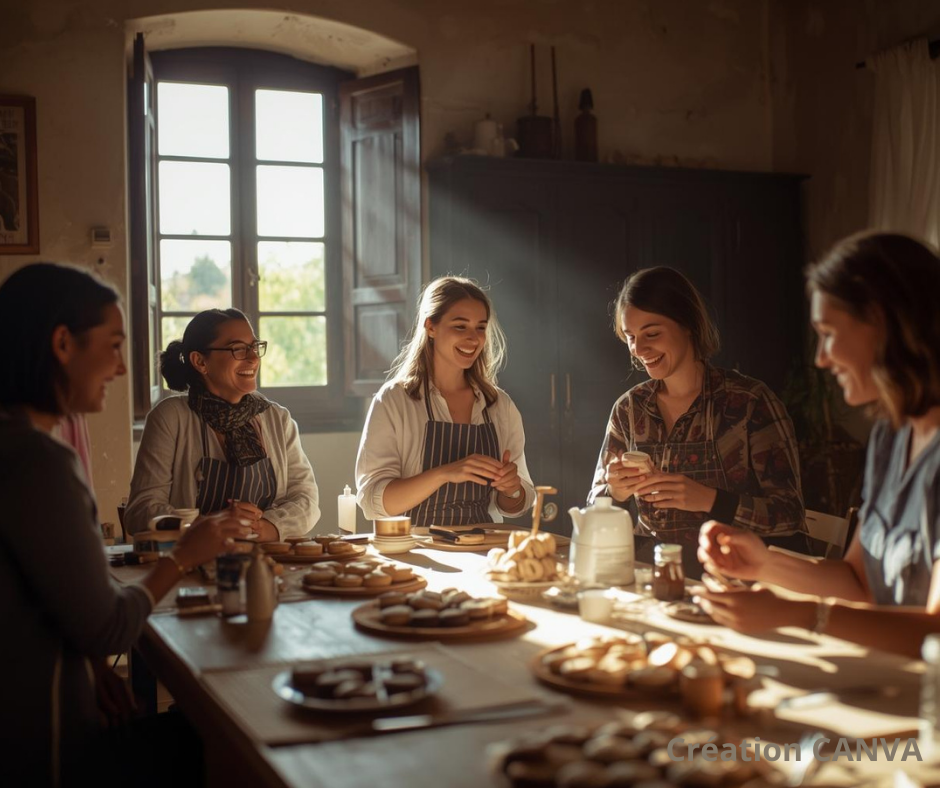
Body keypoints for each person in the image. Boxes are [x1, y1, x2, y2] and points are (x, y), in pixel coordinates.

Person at [0, 263, 240, 787]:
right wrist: (183, 556)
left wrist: (90, 665)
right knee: (223, 736)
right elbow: (109, 626)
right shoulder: (38, 462)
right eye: (111, 346)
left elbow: (42, 599)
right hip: (40, 749)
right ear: (62, 344)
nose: (120, 368)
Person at [697, 232, 940, 658]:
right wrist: (763, 564)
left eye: (828, 333)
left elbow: (936, 632)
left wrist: (803, 615)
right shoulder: (890, 437)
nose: (821, 359)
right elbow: (858, 583)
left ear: (883, 325)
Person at [589, 267, 807, 578]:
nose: (638, 350)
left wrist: (710, 500)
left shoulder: (749, 402)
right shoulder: (629, 409)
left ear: (688, 325)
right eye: (630, 337)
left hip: (735, 581)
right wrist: (616, 493)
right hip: (649, 576)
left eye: (652, 334)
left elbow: (790, 514)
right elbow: (594, 508)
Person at [126, 308, 319, 540]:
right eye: (238, 349)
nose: (253, 358)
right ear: (200, 361)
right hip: (193, 564)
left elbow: (306, 498)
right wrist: (205, 525)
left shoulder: (277, 419)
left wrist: (264, 527)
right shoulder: (170, 418)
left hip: (268, 563)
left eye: (254, 346)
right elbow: (140, 511)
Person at [356, 276, 535, 527]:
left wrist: (511, 488)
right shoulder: (394, 401)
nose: (473, 339)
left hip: (484, 546)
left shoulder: (499, 405)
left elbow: (518, 504)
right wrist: (445, 473)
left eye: (480, 327)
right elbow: (373, 502)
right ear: (431, 327)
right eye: (460, 326)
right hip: (418, 550)